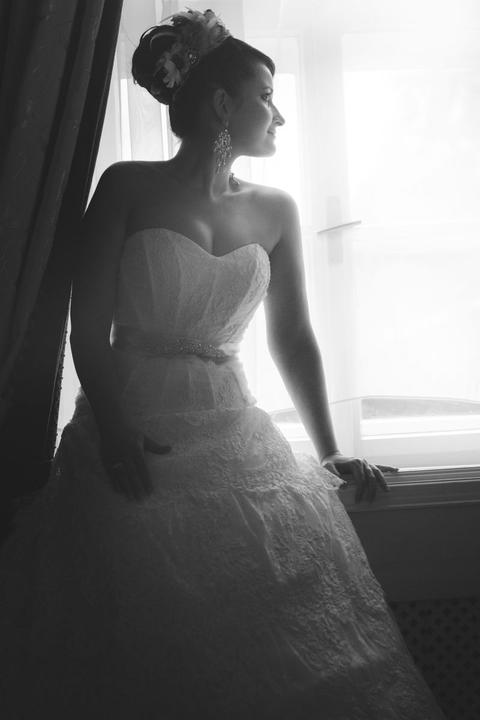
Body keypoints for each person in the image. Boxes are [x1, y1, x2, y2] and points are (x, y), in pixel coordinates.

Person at [0, 8, 446, 719]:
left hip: (235, 433)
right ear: (220, 104)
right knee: (137, 641)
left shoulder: (277, 209)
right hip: (132, 434)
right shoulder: (125, 187)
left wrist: (329, 448)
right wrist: (113, 427)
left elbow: (292, 336)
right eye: (266, 96)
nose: (280, 115)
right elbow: (85, 327)